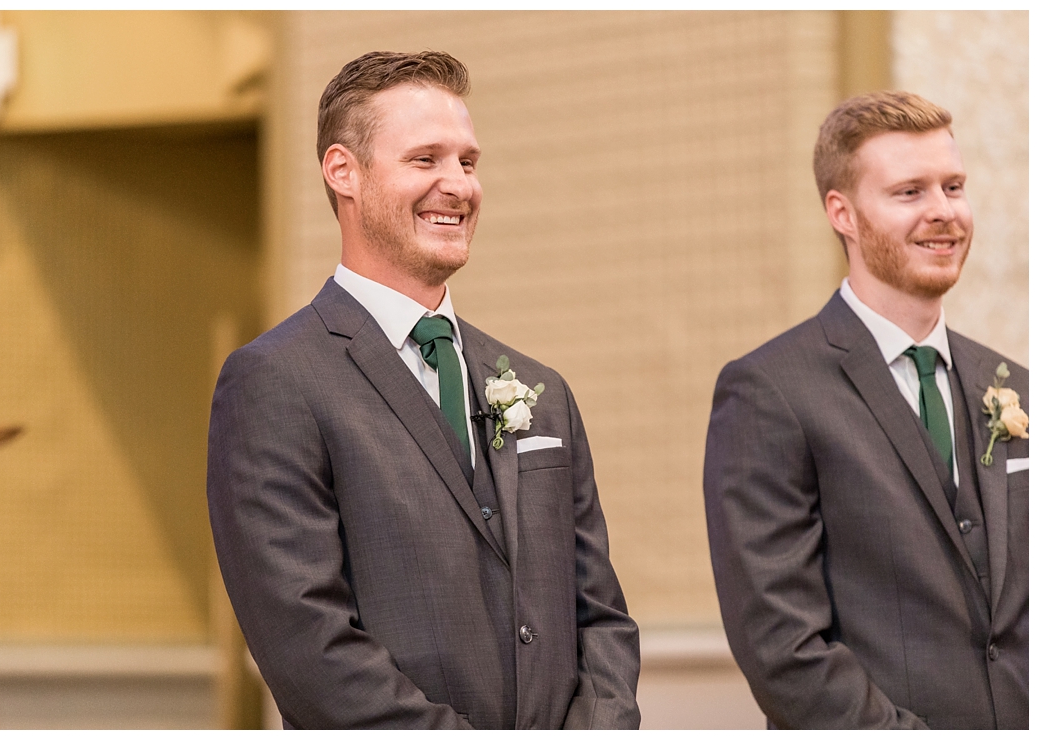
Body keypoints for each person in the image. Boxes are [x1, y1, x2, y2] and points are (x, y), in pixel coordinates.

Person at [207, 50, 640, 730]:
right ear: (342, 172)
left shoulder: (539, 388)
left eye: (467, 162)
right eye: (425, 160)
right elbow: (307, 641)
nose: (459, 185)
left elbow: (601, 615)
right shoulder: (277, 381)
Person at [703, 91, 1028, 729]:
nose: (943, 212)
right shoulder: (769, 391)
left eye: (953, 186)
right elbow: (782, 648)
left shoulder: (1013, 383)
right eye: (910, 192)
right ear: (842, 213)